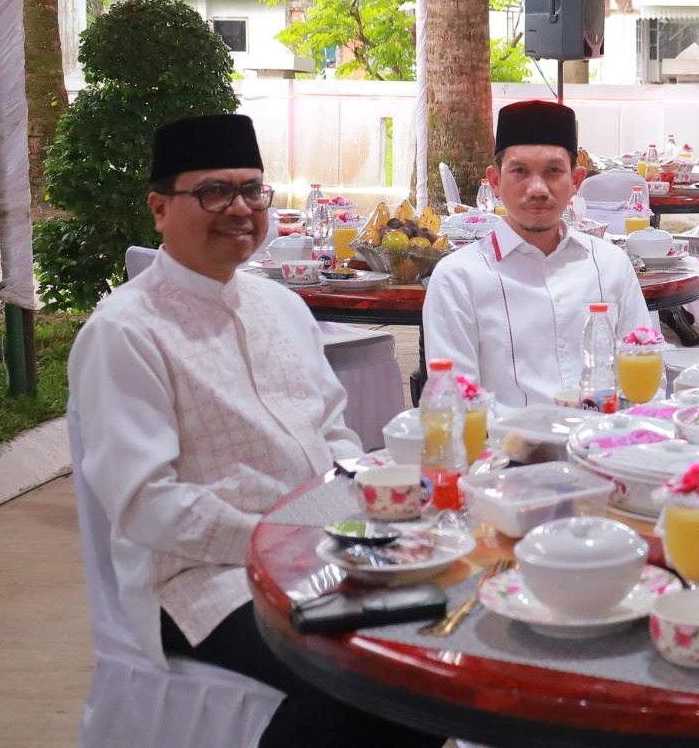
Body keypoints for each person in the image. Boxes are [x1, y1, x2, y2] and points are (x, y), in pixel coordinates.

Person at [68, 113, 443, 747]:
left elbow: (335, 434)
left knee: (438, 636)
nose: (239, 208)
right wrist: (277, 541)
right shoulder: (124, 333)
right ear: (160, 208)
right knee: (362, 685)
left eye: (252, 190)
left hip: (319, 549)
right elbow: (147, 507)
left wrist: (344, 509)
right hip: (197, 582)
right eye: (213, 191)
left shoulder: (281, 305)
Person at [424, 100, 648, 405]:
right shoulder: (458, 279)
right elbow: (457, 402)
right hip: (509, 449)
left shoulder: (611, 266)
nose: (538, 188)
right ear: (495, 181)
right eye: (520, 171)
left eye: (554, 171)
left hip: (602, 446)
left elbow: (645, 380)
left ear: (575, 181)